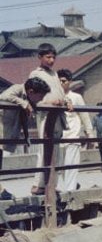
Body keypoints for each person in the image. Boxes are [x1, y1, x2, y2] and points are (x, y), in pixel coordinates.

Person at [0, 77, 52, 200]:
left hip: (5, 132)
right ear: (31, 92)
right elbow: (2, 97)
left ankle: (1, 191)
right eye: (40, 96)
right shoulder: (17, 89)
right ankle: (1, 192)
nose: (41, 99)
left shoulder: (29, 99)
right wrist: (24, 103)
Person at [27, 44, 67, 195]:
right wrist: (49, 103)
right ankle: (39, 185)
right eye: (48, 57)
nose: (51, 60)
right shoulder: (35, 74)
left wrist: (65, 101)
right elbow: (33, 99)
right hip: (45, 115)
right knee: (45, 149)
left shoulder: (54, 74)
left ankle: (51, 183)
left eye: (53, 57)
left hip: (57, 116)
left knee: (56, 151)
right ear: (40, 57)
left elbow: (60, 93)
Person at [57, 70, 94, 193]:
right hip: (59, 136)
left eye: (64, 81)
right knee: (61, 167)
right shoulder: (54, 98)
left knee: (71, 165)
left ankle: (70, 190)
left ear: (70, 82)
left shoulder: (76, 97)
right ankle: (72, 185)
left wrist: (90, 134)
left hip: (73, 134)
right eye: (59, 81)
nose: (61, 83)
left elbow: (84, 116)